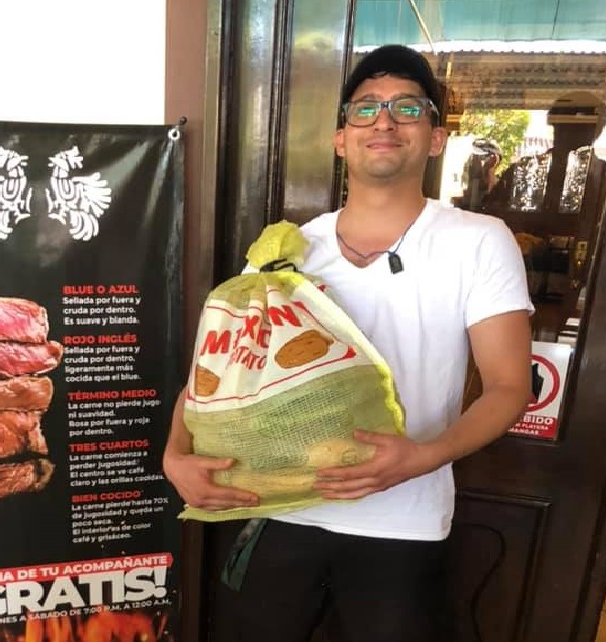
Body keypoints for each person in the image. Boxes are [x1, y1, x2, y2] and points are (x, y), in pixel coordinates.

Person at [163, 44, 533, 642]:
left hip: (402, 522)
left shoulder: (479, 241)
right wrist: (174, 454)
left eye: (407, 108)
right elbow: (220, 373)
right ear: (341, 139)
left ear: (435, 138)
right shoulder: (285, 249)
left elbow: (509, 387)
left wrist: (421, 458)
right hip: (278, 508)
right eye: (366, 108)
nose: (384, 121)